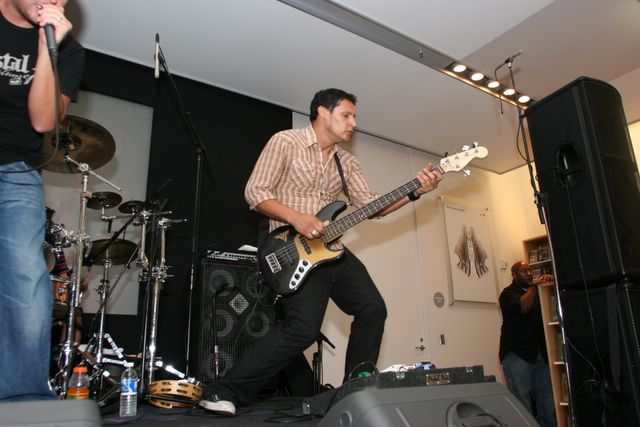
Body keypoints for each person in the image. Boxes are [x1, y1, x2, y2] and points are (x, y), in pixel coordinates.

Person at [199, 88, 443, 415]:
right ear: (322, 113)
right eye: (347, 115)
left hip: (331, 249)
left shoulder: (347, 162)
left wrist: (415, 191)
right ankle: (222, 390)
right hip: (289, 249)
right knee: (302, 330)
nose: (353, 123)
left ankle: (354, 393)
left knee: (373, 308)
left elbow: (373, 206)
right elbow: (255, 192)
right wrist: (297, 218)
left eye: (354, 117)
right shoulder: (286, 141)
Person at [0, 0, 84, 401]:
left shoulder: (68, 50)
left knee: (25, 278)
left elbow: (43, 121)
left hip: (15, 172)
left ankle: (22, 400)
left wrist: (45, 48)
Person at [499, 261, 556, 427]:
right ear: (514, 275)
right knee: (522, 405)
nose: (529, 273)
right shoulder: (507, 294)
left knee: (548, 402)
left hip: (540, 354)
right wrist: (534, 286)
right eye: (523, 271)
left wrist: (550, 285)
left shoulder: (537, 291)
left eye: (530, 270)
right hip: (517, 355)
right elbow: (524, 307)